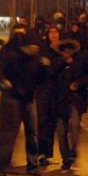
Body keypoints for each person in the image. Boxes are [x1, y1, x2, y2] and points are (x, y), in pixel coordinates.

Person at [0, 24, 48, 176]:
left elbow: (41, 78)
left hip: (28, 99)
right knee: (9, 133)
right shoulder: (10, 54)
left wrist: (45, 67)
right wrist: (4, 82)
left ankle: (33, 165)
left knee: (32, 133)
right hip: (12, 98)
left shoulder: (35, 58)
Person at [52, 39, 88, 170]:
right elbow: (49, 73)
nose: (67, 51)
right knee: (61, 131)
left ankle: (72, 152)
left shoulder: (83, 58)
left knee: (74, 125)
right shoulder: (57, 59)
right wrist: (62, 62)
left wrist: (79, 83)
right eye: (64, 49)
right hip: (59, 99)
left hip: (75, 99)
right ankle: (66, 158)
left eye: (69, 48)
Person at [35, 25, 63, 166]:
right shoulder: (43, 49)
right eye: (51, 32)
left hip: (57, 91)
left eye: (55, 32)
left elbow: (59, 67)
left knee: (52, 123)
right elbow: (44, 68)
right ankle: (40, 152)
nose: (53, 34)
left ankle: (48, 153)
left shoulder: (63, 50)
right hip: (43, 89)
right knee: (42, 121)